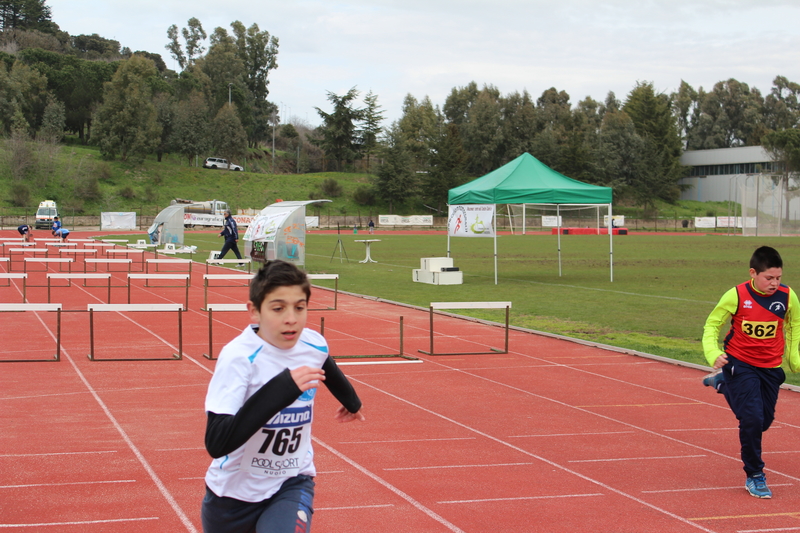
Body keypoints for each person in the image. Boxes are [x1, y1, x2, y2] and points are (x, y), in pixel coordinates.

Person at [201, 260, 365, 533]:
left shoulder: (312, 343)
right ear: (254, 311)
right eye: (278, 308)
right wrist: (281, 389)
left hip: (291, 481)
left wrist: (352, 402)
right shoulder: (239, 357)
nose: (291, 318)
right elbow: (217, 442)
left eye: (299, 308)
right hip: (231, 498)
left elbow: (326, 365)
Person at [702, 246, 800, 499]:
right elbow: (712, 324)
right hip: (740, 363)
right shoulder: (736, 295)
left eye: (778, 278)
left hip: (770, 368)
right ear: (753, 273)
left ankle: (723, 384)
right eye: (769, 278)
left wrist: (794, 360)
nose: (774, 283)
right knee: (752, 420)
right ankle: (755, 474)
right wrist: (713, 353)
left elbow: (794, 326)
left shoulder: (788, 296)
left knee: (763, 422)